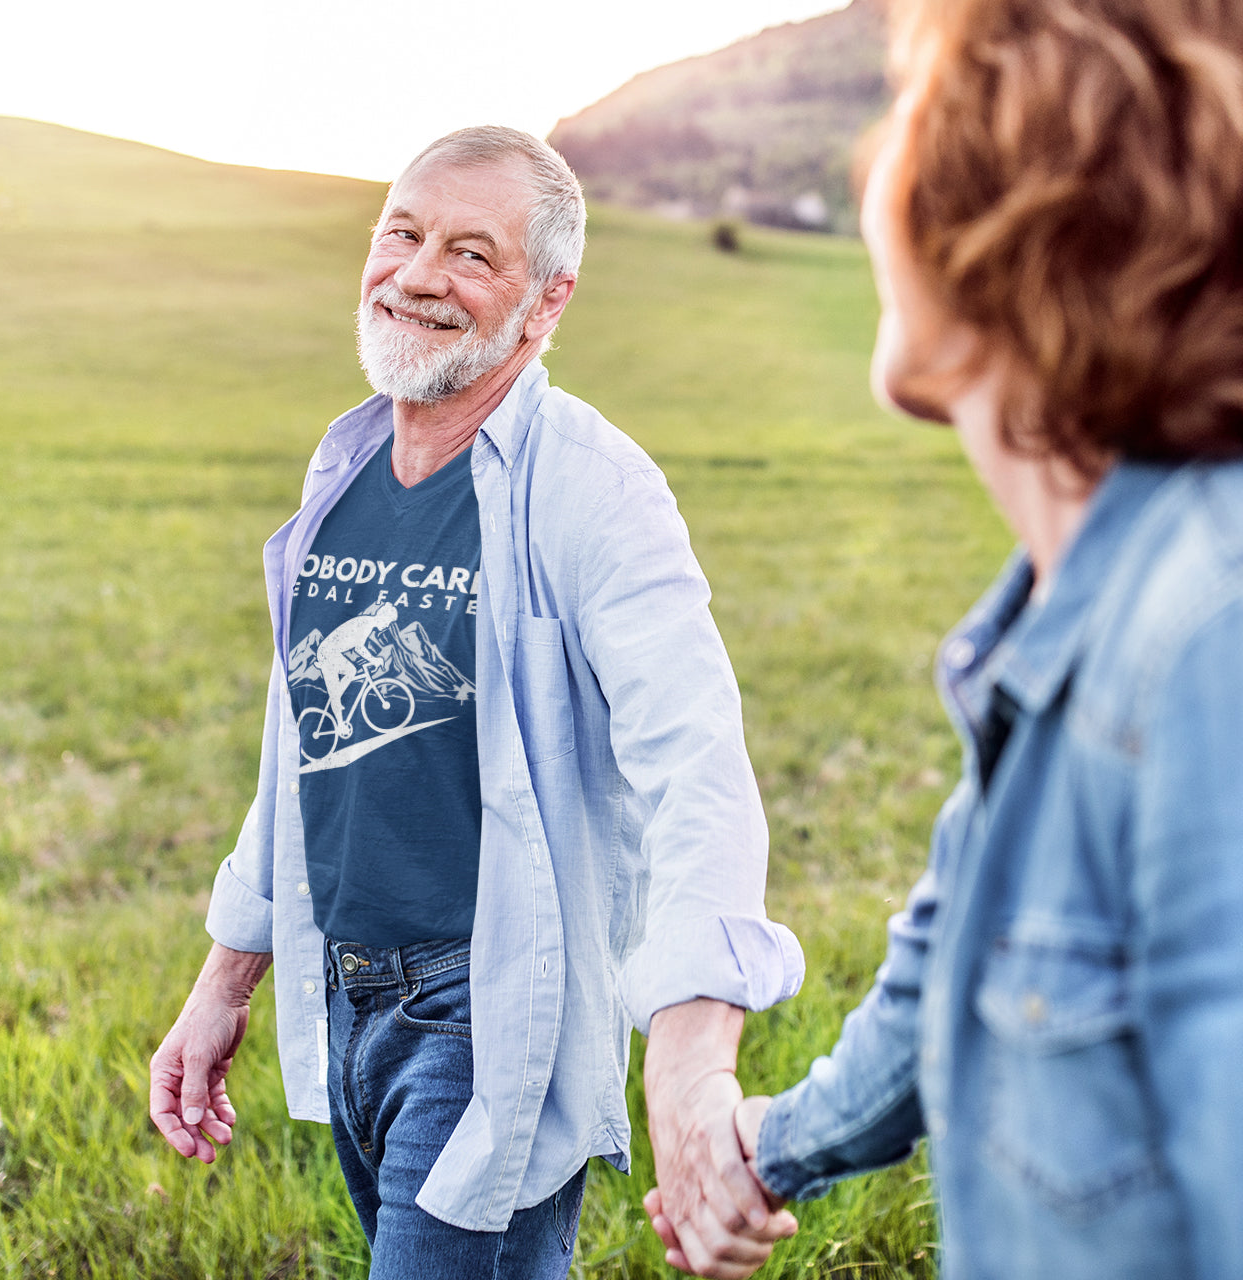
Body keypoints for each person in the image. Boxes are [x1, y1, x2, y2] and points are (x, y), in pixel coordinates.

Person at [647, 0, 1243, 1275]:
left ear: (1019, 197)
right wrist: (764, 1144)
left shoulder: (1207, 644)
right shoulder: (1076, 609)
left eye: (905, 112)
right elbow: (956, 963)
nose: (873, 160)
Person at [148, 125, 803, 1279]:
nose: (416, 274)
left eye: (469, 252)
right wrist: (222, 982)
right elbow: (305, 747)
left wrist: (691, 1052)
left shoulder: (595, 491)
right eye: (401, 233)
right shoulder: (345, 470)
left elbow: (695, 762)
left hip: (486, 1011)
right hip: (346, 994)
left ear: (547, 301)